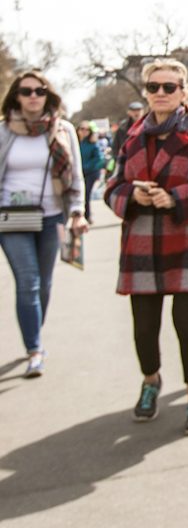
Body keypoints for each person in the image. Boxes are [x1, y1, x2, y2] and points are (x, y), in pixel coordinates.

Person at [104, 59, 188, 434]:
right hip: (142, 242)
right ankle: (151, 380)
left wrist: (174, 199)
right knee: (144, 329)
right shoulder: (131, 135)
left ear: (183, 92)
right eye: (154, 87)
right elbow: (111, 187)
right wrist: (134, 195)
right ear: (146, 92)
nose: (160, 93)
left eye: (169, 87)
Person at [0, 69, 87, 378]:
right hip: (11, 218)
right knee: (29, 282)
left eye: (39, 91)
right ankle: (35, 349)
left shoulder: (62, 129)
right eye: (26, 91)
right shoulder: (4, 131)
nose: (33, 96)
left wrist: (77, 210)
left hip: (53, 217)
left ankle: (33, 327)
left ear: (48, 96)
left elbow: (75, 175)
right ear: (16, 97)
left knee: (45, 284)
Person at [76, 122, 105, 222]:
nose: (84, 131)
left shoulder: (93, 143)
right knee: (78, 193)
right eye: (82, 129)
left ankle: (87, 216)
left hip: (91, 172)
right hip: (78, 172)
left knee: (86, 193)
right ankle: (79, 214)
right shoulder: (75, 142)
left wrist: (86, 166)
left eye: (87, 129)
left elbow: (99, 158)